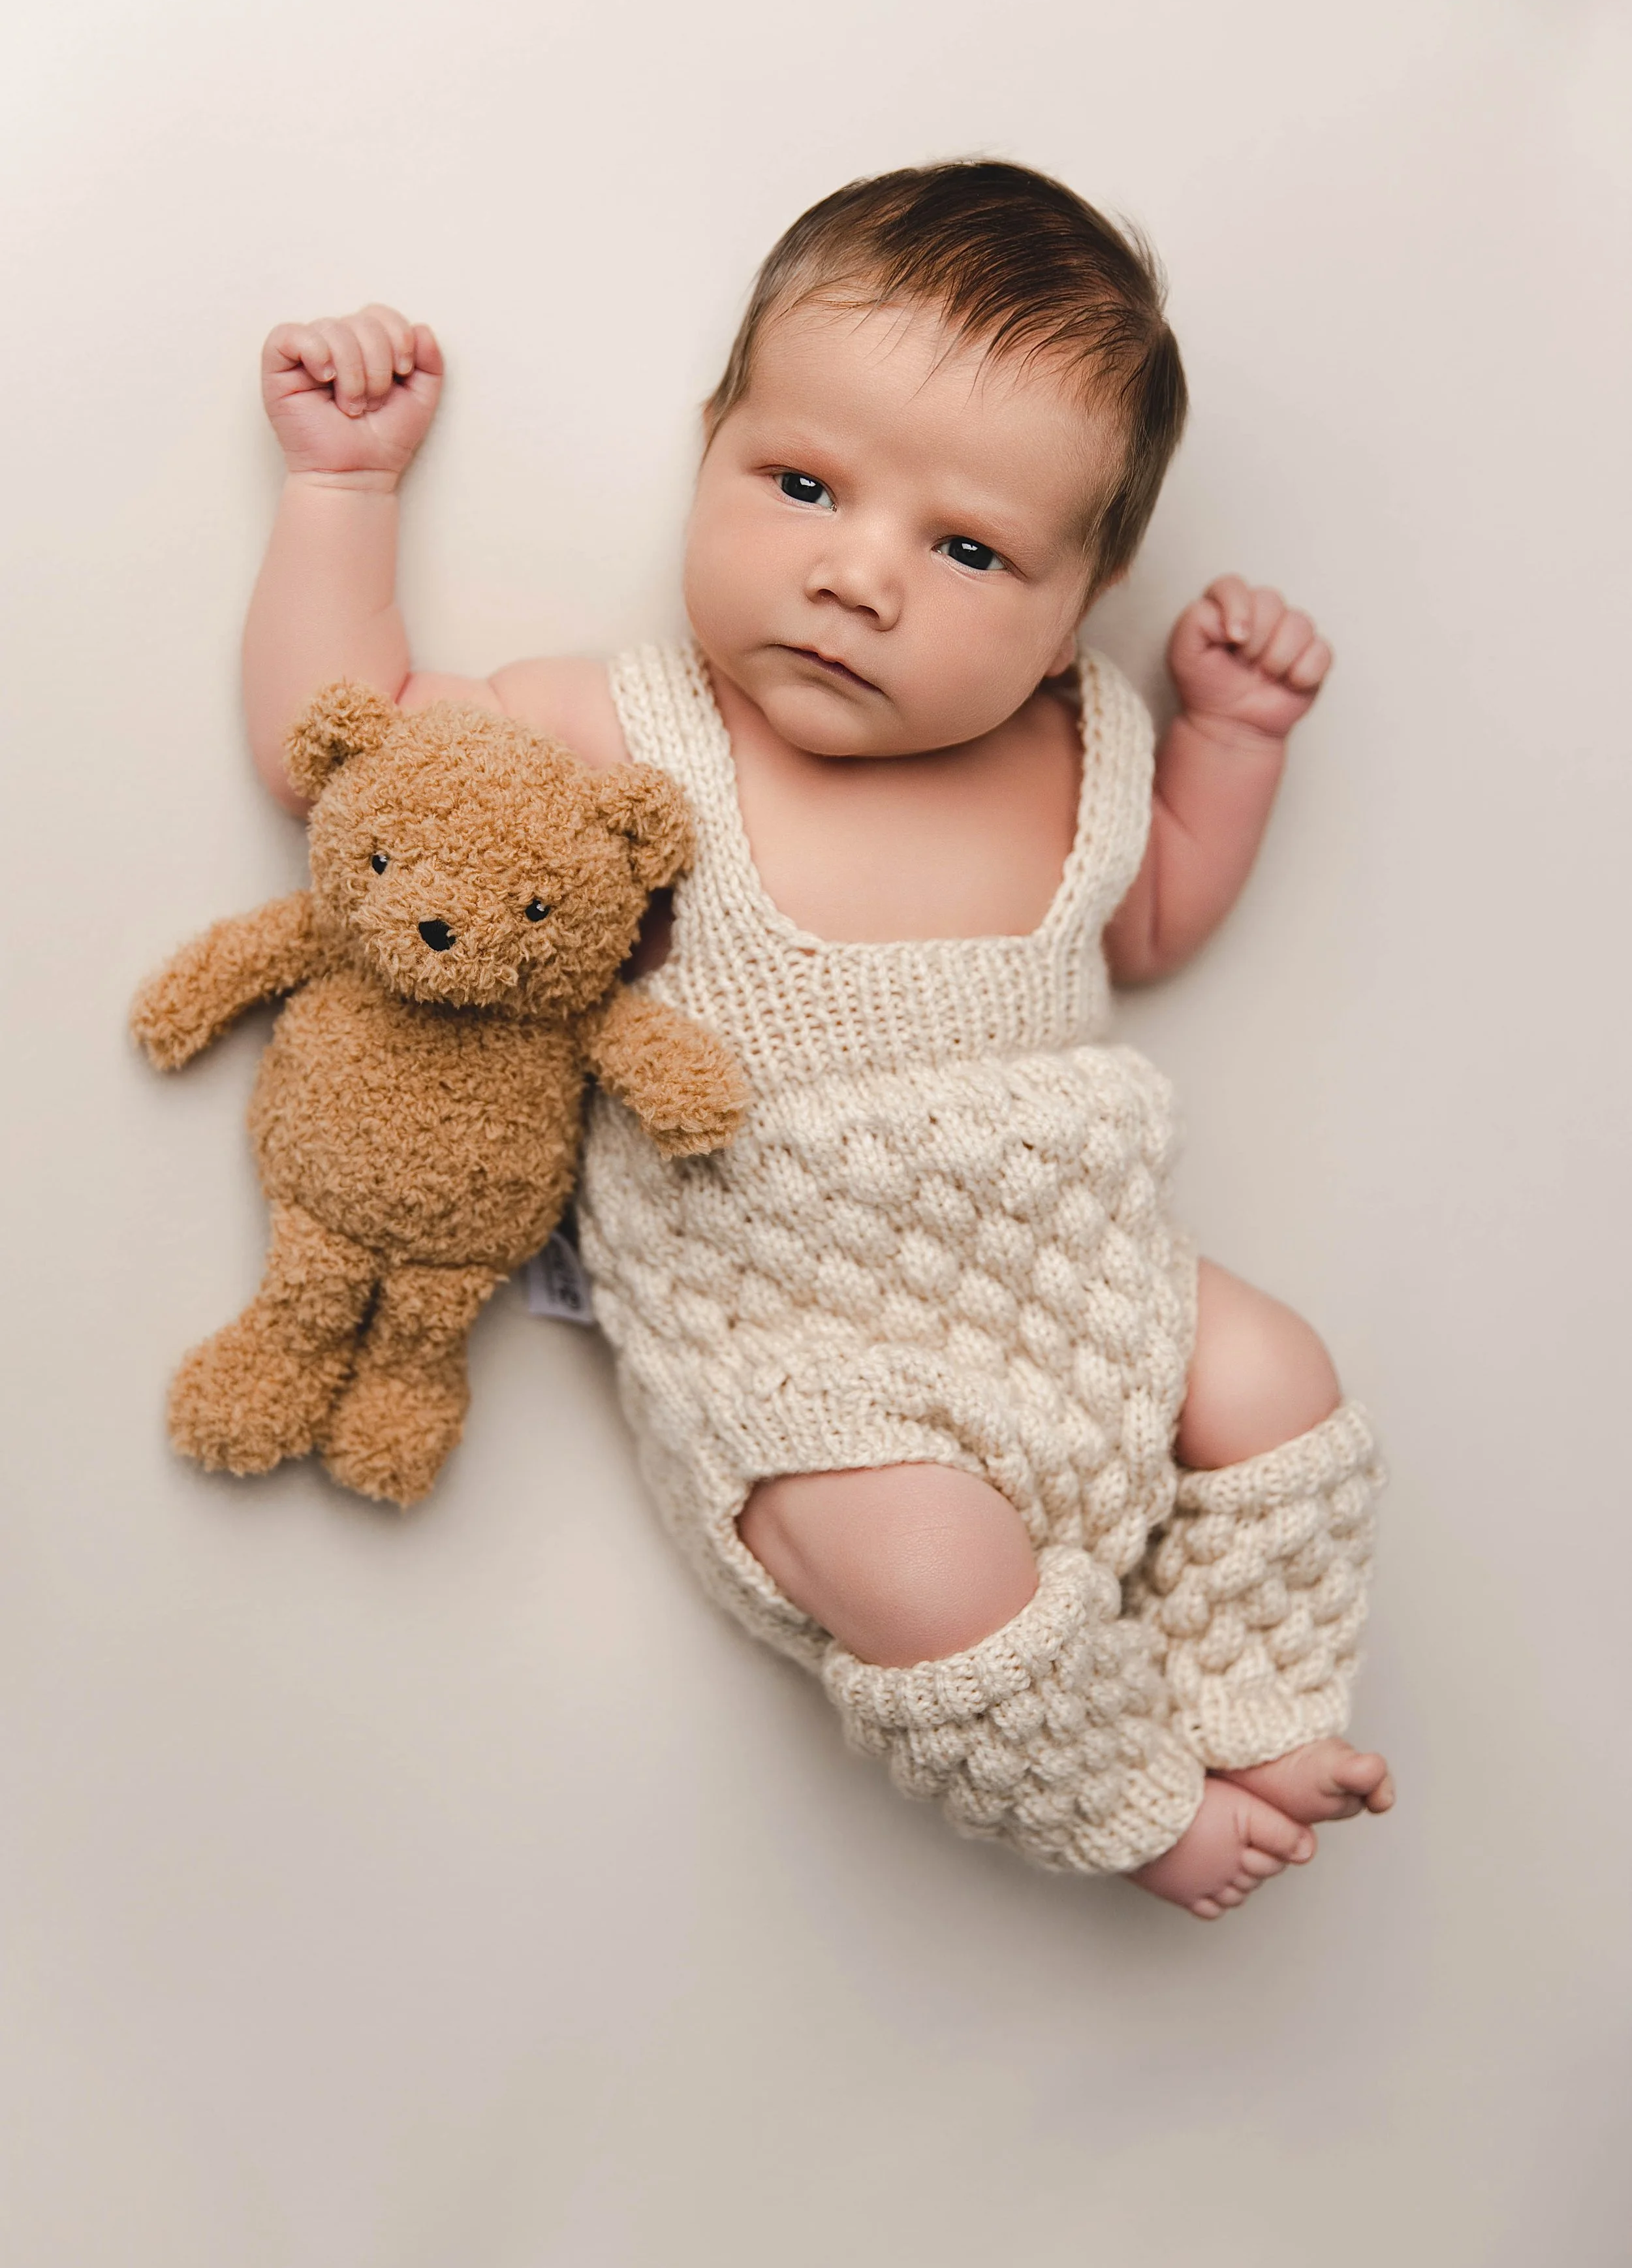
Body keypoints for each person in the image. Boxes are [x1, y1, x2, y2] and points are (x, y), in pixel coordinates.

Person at [244, 160, 1393, 1919]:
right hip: (796, 1346)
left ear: (1076, 603)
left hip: (1080, 1271)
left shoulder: (1074, 740)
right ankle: (1131, 1801)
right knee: (932, 1561)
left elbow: (1149, 921)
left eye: (967, 549)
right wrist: (343, 485)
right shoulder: (626, 732)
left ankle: (1252, 1702)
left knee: (1274, 1379)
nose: (858, 575)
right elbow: (355, 750)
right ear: (712, 448)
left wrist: (1227, 742)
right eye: (800, 484)